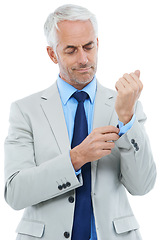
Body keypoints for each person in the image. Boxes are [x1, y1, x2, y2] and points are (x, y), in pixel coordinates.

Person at [4, 4, 156, 240]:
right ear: (52, 53)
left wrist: (127, 119)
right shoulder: (26, 110)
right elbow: (15, 193)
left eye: (88, 46)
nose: (84, 59)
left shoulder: (126, 104)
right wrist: (76, 158)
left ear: (98, 43)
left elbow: (143, 186)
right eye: (71, 50)